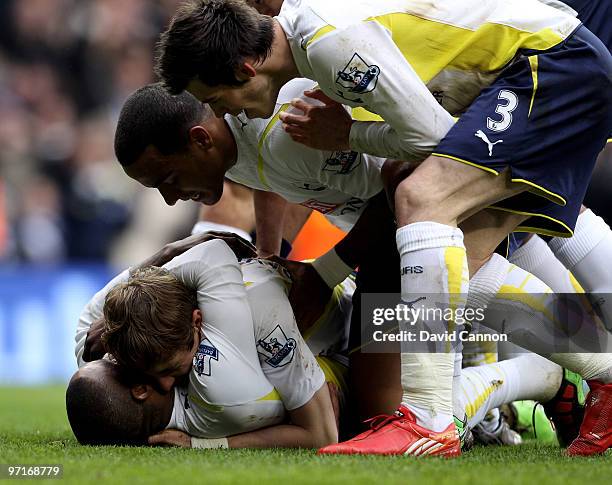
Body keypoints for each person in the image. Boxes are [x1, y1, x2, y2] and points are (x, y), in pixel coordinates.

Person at [155, 0, 612, 456]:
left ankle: (430, 421)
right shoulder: (308, 56)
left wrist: (348, 136)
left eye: (217, 100)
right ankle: (603, 378)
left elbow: (433, 140)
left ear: (244, 68)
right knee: (461, 265)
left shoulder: (329, 47)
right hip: (534, 69)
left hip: (549, 62)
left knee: (422, 201)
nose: (223, 113)